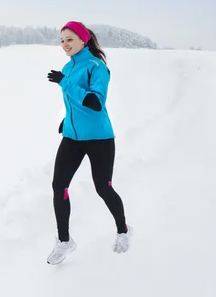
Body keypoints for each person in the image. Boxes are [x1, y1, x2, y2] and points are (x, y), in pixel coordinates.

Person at [45, 20, 132, 265]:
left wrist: (65, 82)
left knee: (103, 187)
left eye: (70, 39)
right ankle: (64, 240)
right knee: (58, 185)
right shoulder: (68, 67)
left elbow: (95, 103)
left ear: (84, 40)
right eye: (62, 40)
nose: (65, 45)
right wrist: (67, 120)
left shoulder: (97, 67)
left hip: (99, 139)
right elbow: (75, 103)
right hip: (73, 138)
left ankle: (123, 230)